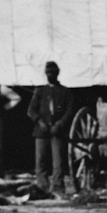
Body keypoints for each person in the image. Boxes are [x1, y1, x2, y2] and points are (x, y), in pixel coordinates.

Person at [28, 60, 74, 197]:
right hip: (41, 131)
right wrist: (39, 121)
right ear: (45, 74)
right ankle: (42, 187)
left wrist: (59, 124)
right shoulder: (40, 91)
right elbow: (31, 110)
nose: (50, 75)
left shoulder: (65, 92)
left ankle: (58, 187)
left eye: (53, 72)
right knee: (40, 161)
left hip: (57, 131)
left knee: (58, 161)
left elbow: (69, 111)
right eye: (48, 72)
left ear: (57, 73)